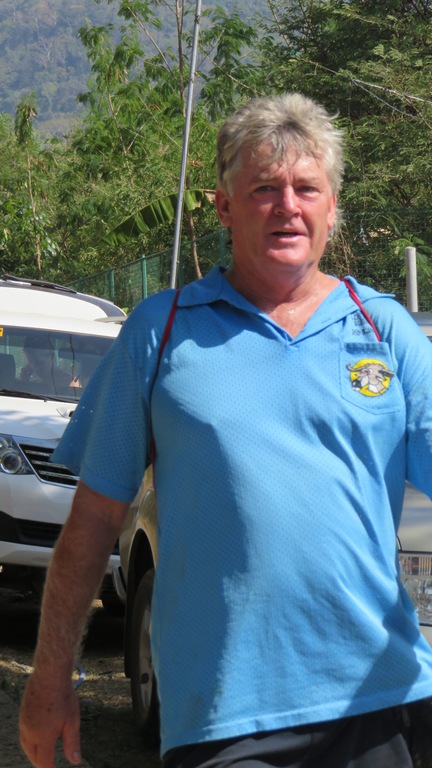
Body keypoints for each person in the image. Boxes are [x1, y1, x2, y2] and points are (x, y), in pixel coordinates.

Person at [19, 93, 432, 768]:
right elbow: (93, 521)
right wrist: (49, 675)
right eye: (264, 188)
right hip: (223, 715)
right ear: (223, 207)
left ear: (332, 208)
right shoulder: (161, 332)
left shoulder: (384, 330)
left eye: (307, 189)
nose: (288, 207)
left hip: (378, 699)